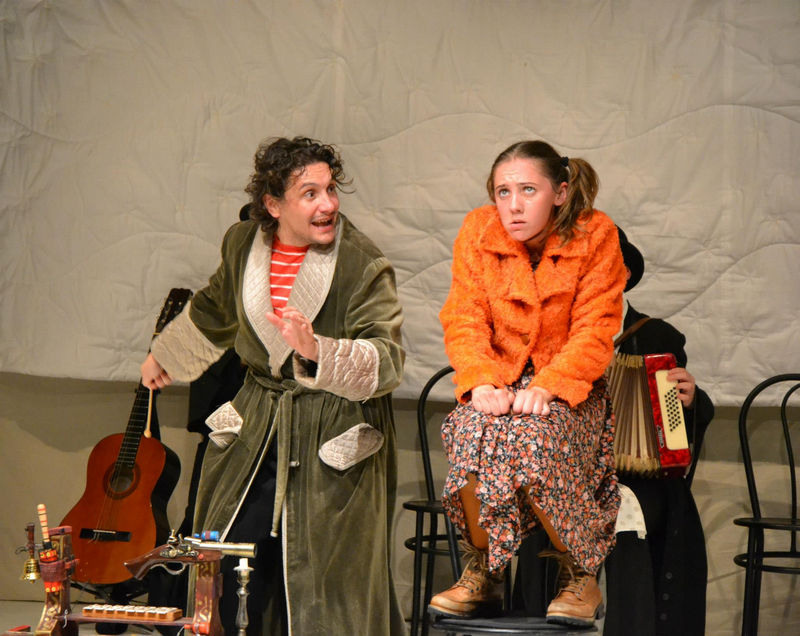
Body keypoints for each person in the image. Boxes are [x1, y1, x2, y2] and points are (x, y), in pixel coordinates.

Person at [140, 136, 406, 636]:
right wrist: (169, 354)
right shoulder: (243, 244)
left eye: (330, 189)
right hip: (258, 420)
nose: (328, 204)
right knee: (226, 557)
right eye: (310, 193)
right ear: (273, 204)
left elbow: (388, 361)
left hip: (332, 427)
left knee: (319, 580)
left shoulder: (361, 263)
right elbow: (217, 306)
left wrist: (317, 350)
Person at [428, 140, 626, 628]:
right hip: (499, 380)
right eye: (503, 192)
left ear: (560, 193)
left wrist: (550, 385)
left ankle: (580, 572)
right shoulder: (478, 230)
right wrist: (480, 381)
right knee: (467, 430)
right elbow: (464, 317)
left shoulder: (596, 233)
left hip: (569, 387)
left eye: (528, 190)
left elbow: (596, 327)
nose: (513, 205)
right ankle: (485, 569)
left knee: (538, 435)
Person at [601, 227, 714, 636]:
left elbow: (680, 428)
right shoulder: (556, 336)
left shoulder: (656, 336)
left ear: (624, 274)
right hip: (568, 473)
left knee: (646, 506)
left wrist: (690, 400)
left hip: (639, 478)